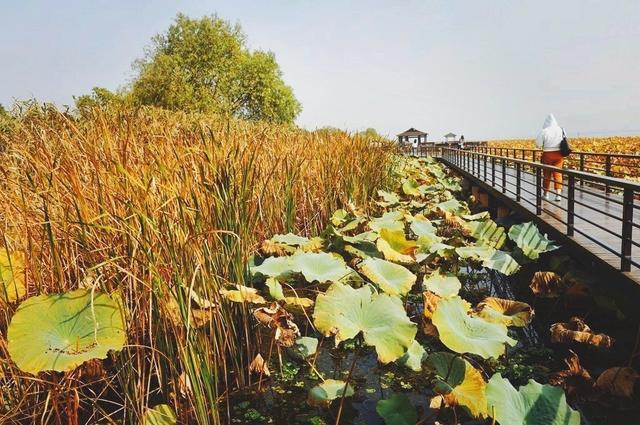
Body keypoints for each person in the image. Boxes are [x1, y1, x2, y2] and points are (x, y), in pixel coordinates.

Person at [535, 113, 565, 201]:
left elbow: (538, 143)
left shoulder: (544, 131)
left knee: (547, 174)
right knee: (558, 174)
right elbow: (565, 139)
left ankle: (546, 194)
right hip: (559, 154)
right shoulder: (560, 129)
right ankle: (558, 195)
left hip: (547, 154)